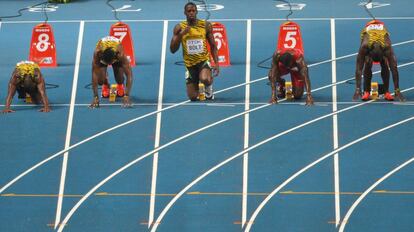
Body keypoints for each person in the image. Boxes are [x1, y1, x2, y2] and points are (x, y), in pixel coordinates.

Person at [170, 1, 219, 101]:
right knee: (192, 97)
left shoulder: (205, 25)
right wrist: (181, 34)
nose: (191, 13)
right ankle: (196, 82)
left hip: (203, 61)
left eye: (193, 11)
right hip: (190, 65)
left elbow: (213, 45)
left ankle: (209, 89)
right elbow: (172, 50)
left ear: (196, 12)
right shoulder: (179, 28)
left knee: (205, 78)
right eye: (189, 11)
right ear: (185, 13)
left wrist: (217, 63)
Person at [353, 19, 405, 101]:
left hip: (381, 35)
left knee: (384, 64)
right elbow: (359, 69)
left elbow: (394, 69)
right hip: (369, 33)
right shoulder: (364, 46)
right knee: (367, 63)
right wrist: (358, 89)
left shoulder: (387, 47)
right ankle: (366, 92)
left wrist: (397, 90)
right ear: (369, 53)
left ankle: (387, 92)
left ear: (383, 53)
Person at [90, 36, 133, 108]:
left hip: (114, 55)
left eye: (111, 63)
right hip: (104, 57)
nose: (109, 64)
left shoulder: (120, 54)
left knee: (120, 80)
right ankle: (105, 83)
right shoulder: (98, 53)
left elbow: (129, 74)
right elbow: (94, 73)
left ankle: (120, 85)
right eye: (108, 63)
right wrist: (95, 97)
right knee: (100, 81)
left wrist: (126, 95)